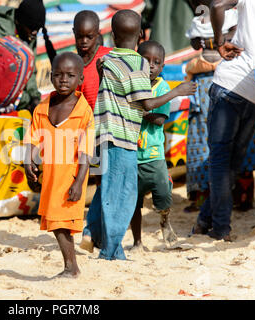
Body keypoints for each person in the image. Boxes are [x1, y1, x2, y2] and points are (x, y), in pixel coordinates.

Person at [80, 10, 196, 260]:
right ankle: (112, 250)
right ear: (141, 36)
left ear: (111, 36)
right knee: (123, 196)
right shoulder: (139, 64)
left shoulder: (107, 60)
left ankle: (90, 232)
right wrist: (178, 92)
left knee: (107, 188)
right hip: (123, 138)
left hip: (102, 135)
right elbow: (146, 104)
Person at [190, 0, 255, 241]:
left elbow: (217, 4)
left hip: (229, 83)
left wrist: (219, 42)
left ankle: (216, 225)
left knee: (221, 162)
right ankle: (209, 223)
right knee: (231, 165)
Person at [184, 0, 255, 213]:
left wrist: (201, 63)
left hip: (219, 84)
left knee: (211, 143)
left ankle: (211, 203)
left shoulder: (218, 18)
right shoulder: (231, 19)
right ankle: (238, 199)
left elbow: (198, 49)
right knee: (235, 142)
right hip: (231, 84)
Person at [24, 52, 94, 278]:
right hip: (51, 176)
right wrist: (28, 162)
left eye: (70, 75)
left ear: (80, 80)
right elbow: (33, 139)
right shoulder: (42, 108)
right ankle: (70, 266)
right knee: (56, 222)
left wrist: (79, 181)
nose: (64, 80)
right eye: (58, 75)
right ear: (50, 76)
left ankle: (71, 267)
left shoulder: (84, 112)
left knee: (61, 221)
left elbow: (85, 153)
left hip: (71, 177)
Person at [130, 40, 197, 250]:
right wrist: (145, 109)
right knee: (134, 202)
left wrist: (139, 109)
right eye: (146, 60)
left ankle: (165, 221)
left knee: (163, 194)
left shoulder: (163, 87)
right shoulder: (132, 84)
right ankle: (137, 241)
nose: (151, 65)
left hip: (153, 154)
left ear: (162, 67)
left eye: (156, 62)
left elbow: (159, 119)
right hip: (131, 154)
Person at [73, 10, 112, 110]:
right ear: (74, 32)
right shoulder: (72, 65)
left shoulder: (109, 56)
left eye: (89, 37)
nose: (84, 41)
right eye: (80, 37)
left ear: (98, 33)